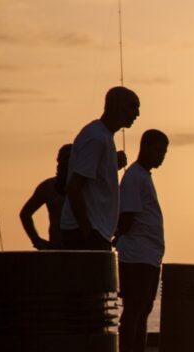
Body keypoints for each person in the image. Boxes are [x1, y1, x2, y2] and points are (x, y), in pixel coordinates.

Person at [115, 129, 169, 352]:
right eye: (159, 150)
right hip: (136, 255)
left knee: (144, 309)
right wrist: (117, 236)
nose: (162, 156)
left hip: (148, 255)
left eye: (164, 152)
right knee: (134, 309)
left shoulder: (143, 176)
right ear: (146, 147)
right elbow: (126, 217)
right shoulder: (134, 177)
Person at [60, 86, 140, 250]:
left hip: (95, 232)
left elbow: (92, 180)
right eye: (133, 106)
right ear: (117, 107)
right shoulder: (96, 137)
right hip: (84, 234)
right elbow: (74, 187)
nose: (137, 114)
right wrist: (89, 233)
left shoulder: (103, 136)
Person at [19, 144, 72, 250]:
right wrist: (36, 240)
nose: (65, 164)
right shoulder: (47, 188)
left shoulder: (87, 187)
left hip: (81, 247)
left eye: (69, 161)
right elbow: (25, 214)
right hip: (55, 247)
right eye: (63, 161)